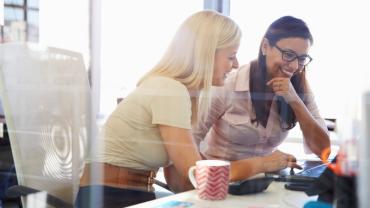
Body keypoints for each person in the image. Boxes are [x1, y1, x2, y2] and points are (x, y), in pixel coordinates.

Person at [76, 10, 260, 208]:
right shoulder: (170, 89)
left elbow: (179, 181)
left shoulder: (177, 92)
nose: (236, 65)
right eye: (231, 56)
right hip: (111, 198)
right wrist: (261, 164)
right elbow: (197, 175)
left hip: (126, 195)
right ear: (207, 54)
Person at [193, 16, 331, 176]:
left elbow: (324, 151)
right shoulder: (229, 84)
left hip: (263, 186)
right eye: (288, 54)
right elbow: (188, 144)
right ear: (265, 46)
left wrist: (295, 101)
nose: (294, 66)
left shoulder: (299, 87)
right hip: (222, 182)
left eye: (301, 59)